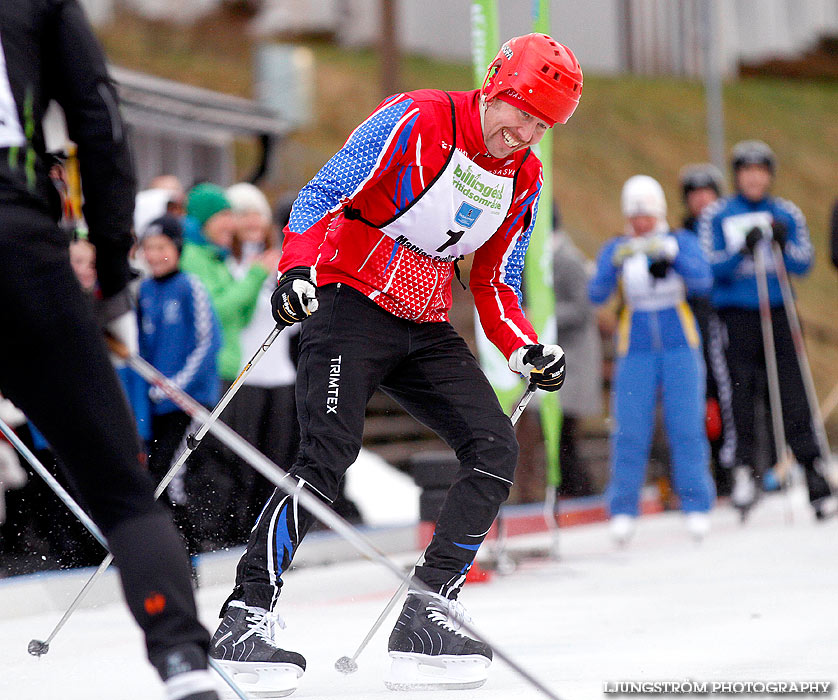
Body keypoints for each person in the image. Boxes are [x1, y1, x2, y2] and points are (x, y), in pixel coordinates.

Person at [208, 33, 580, 695]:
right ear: (493, 86)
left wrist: (527, 347)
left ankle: (427, 613)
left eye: (540, 122)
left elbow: (496, 283)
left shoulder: (525, 176)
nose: (521, 130)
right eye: (518, 107)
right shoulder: (418, 117)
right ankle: (245, 615)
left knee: (494, 446)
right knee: (327, 454)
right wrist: (295, 270)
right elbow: (321, 195)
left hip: (424, 322)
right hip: (350, 301)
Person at [0, 3, 218, 699]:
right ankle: (182, 660)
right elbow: (103, 126)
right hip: (18, 250)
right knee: (124, 494)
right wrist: (115, 281)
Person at [698, 140, 834, 519]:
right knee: (740, 393)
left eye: (761, 171)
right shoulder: (718, 214)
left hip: (777, 311)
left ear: (769, 176)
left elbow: (804, 263)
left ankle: (813, 471)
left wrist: (782, 244)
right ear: (737, 176)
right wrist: (742, 249)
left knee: (793, 393)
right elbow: (709, 266)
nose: (754, 178)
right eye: (747, 171)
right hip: (736, 317)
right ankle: (744, 469)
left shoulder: (785, 212)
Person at [588, 175, 716, 545]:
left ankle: (696, 503)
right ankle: (623, 508)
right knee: (630, 426)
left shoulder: (679, 241)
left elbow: (703, 281)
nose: (641, 221)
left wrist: (672, 258)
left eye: (648, 213)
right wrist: (611, 264)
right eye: (635, 214)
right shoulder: (618, 246)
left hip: (679, 340)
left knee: (686, 424)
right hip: (637, 342)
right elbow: (596, 293)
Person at [179, 183, 281, 546]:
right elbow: (219, 311)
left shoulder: (214, 257)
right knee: (211, 457)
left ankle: (231, 531)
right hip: (209, 372)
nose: (231, 223)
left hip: (227, 369)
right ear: (205, 220)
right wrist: (255, 275)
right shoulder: (193, 257)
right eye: (223, 216)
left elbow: (241, 312)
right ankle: (209, 533)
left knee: (230, 457)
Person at [137, 215, 222, 558]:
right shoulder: (143, 291)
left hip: (188, 402)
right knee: (156, 473)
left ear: (177, 249)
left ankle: (187, 551)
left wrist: (174, 387)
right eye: (148, 248)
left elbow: (207, 342)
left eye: (162, 247)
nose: (155, 255)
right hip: (154, 404)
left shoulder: (190, 286)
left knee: (170, 475)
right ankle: (171, 549)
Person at [678, 164, 737, 496]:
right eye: (694, 194)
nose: (701, 201)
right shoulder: (682, 234)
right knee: (703, 397)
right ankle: (712, 471)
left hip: (726, 317)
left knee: (731, 391)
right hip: (694, 322)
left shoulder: (726, 229)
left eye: (707, 193)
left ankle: (738, 464)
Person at [551, 216, 602, 497]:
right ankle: (572, 488)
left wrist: (545, 317)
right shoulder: (544, 258)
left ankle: (578, 490)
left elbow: (582, 309)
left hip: (574, 360)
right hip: (560, 357)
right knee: (561, 433)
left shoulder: (568, 259)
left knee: (565, 432)